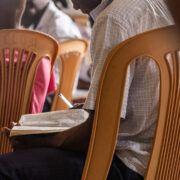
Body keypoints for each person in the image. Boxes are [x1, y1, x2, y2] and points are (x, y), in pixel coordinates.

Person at [0, 0, 173, 179]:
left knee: (4, 167)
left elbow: (95, 134)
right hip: (165, 163)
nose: (74, 7)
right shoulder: (162, 7)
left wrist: (41, 141)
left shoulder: (113, 19)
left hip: (126, 163)